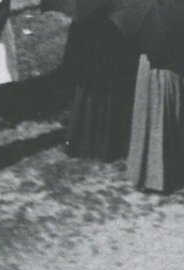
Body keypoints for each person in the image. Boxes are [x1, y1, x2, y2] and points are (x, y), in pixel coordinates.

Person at [127, 22, 184, 194]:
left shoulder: (140, 17)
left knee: (150, 119)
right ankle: (172, 170)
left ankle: (148, 173)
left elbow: (131, 47)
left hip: (150, 71)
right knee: (174, 118)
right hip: (176, 70)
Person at [60, 9, 141, 162]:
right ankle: (105, 146)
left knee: (89, 101)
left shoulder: (85, 7)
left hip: (95, 57)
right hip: (105, 53)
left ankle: (82, 143)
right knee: (104, 100)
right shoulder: (122, 9)